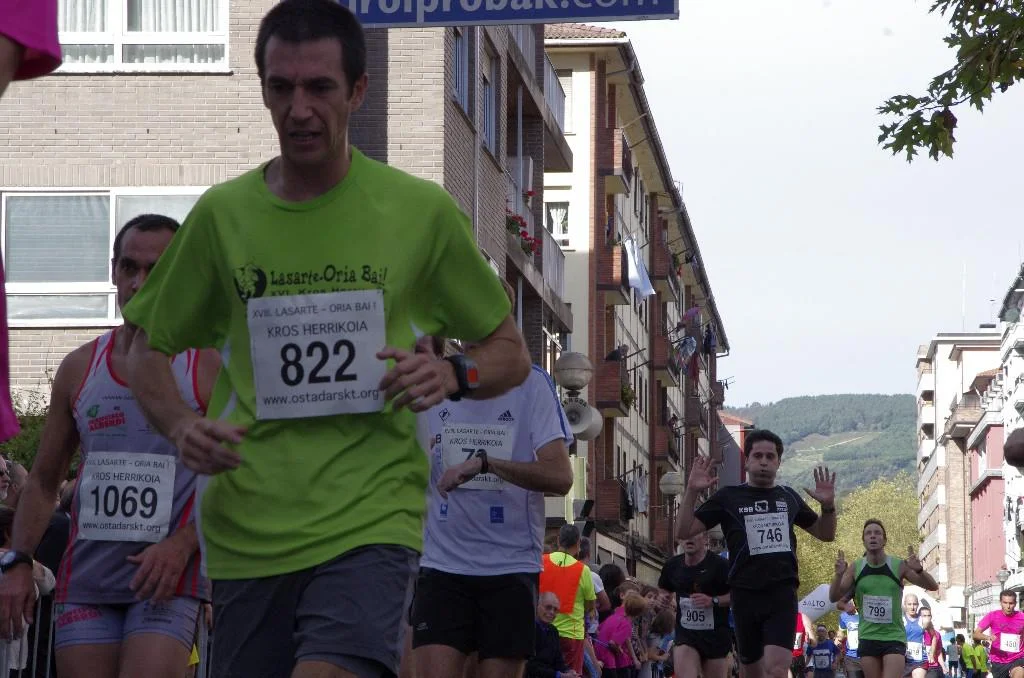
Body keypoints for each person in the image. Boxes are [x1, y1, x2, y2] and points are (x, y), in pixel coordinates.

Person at [114, 0, 532, 676]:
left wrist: (454, 374)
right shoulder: (223, 216)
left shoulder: (419, 212)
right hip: (249, 527)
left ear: (357, 92)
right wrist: (180, 424)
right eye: (281, 88)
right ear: (262, 91)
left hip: (371, 517)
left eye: (319, 88)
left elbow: (509, 351)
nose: (299, 109)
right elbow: (144, 349)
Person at [0, 215, 214, 678]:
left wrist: (183, 545)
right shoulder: (80, 367)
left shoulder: (208, 364)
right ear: (113, 271)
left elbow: (240, 477)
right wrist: (18, 561)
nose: (140, 283)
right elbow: (44, 481)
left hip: (168, 578)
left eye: (156, 270)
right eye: (130, 268)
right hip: (88, 580)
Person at [409, 299, 575, 678]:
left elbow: (561, 477)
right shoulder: (433, 380)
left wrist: (487, 463)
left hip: (509, 566)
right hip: (442, 563)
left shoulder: (532, 384)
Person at [677, 429, 838, 678]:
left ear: (778, 462)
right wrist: (691, 491)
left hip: (781, 592)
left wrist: (828, 507)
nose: (764, 461)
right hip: (744, 595)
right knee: (751, 672)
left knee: (776, 669)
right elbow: (684, 531)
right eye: (758, 455)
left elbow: (825, 533)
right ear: (747, 461)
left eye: (770, 457)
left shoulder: (788, 497)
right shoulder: (728, 497)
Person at [828, 520, 938, 678]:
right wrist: (838, 575)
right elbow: (834, 597)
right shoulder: (856, 567)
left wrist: (920, 570)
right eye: (868, 533)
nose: (873, 536)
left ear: (884, 540)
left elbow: (932, 586)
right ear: (864, 540)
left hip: (893, 636)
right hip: (868, 636)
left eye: (877, 533)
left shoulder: (898, 565)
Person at [657, 531, 732, 678]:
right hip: (686, 635)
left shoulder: (721, 566)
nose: (689, 538)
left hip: (715, 636)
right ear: (680, 540)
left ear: (705, 538)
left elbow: (738, 595)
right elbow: (664, 588)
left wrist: (713, 601)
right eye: (685, 534)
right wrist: (663, 597)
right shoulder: (673, 565)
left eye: (695, 534)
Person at [540, 525, 599, 675]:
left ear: (558, 540)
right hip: (571, 635)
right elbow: (590, 605)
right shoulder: (583, 570)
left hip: (542, 629)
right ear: (578, 543)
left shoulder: (542, 561)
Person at [527, 592, 580, 678]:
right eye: (548, 607)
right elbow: (530, 666)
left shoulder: (553, 631)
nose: (552, 612)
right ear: (537, 606)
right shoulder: (529, 629)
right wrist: (560, 675)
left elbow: (558, 660)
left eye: (555, 610)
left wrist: (568, 671)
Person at [595, 592, 648, 677]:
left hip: (598, 655)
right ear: (638, 612)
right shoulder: (626, 624)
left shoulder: (614, 616)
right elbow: (613, 642)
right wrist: (619, 651)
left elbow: (598, 630)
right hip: (609, 660)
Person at [974, 592, 1023, 678]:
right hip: (998, 661)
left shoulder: (1022, 617)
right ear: (1000, 602)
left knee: (1019, 672)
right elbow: (976, 634)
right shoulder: (992, 616)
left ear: (1015, 603)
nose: (1008, 606)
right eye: (1005, 603)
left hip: (1018, 657)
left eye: (1011, 603)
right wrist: (988, 637)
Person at [839, 598, 863, 678]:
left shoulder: (867, 613)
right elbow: (841, 630)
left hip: (867, 654)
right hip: (851, 655)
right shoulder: (843, 616)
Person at [905, 595, 928, 678]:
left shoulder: (923, 619)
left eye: (914, 604)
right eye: (909, 604)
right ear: (905, 604)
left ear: (918, 605)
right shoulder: (901, 619)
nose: (912, 607)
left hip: (920, 660)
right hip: (903, 660)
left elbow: (934, 636)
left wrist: (932, 651)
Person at [920, 606, 944, 678]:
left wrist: (943, 666)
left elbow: (939, 652)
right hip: (918, 666)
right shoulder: (916, 632)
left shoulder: (937, 634)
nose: (927, 618)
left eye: (928, 615)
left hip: (933, 667)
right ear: (919, 617)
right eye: (924, 616)